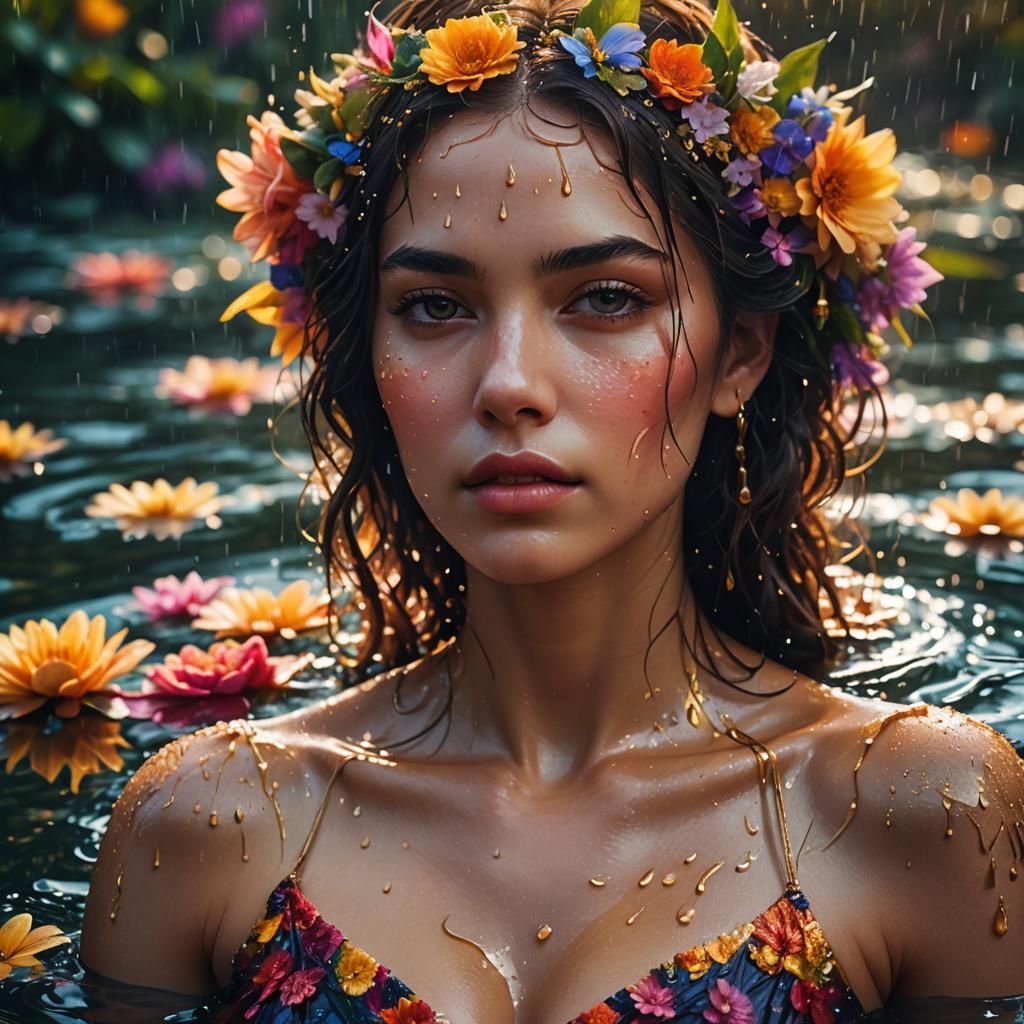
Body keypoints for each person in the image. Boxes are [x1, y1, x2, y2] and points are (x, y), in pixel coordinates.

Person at [80, 0, 1024, 1020]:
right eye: (435, 306)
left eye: (606, 297)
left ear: (739, 351)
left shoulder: (911, 811)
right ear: (370, 359)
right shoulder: (208, 824)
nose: (508, 384)